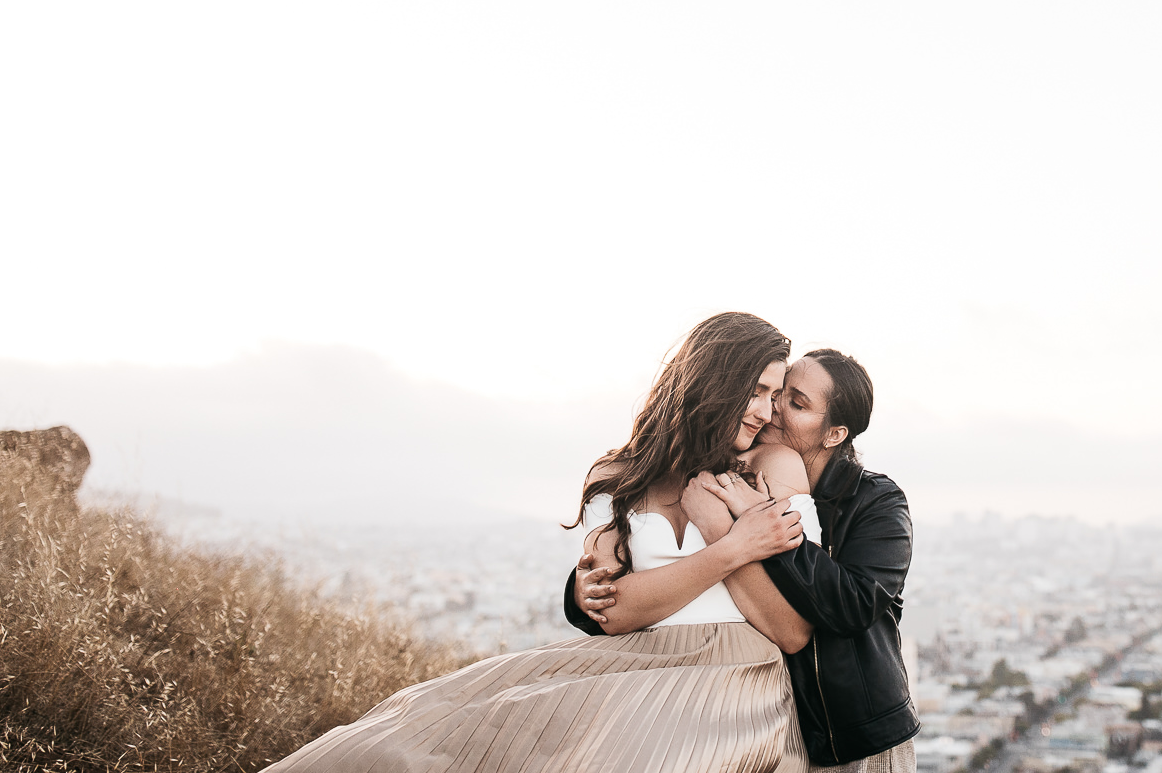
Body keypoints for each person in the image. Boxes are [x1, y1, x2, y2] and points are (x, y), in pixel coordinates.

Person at [267, 311, 816, 773]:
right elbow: (617, 612)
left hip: (739, 679)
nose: (766, 411)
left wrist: (720, 535)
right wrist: (731, 548)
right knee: (429, 726)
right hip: (634, 659)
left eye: (775, 395)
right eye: (756, 391)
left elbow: (790, 630)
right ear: (711, 384)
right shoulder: (628, 474)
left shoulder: (769, 469)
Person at [568, 348, 918, 772]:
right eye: (776, 395)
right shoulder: (738, 473)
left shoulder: (875, 502)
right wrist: (580, 592)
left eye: (796, 403)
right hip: (762, 718)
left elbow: (854, 603)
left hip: (849, 731)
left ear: (833, 434)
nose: (773, 411)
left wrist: (744, 523)